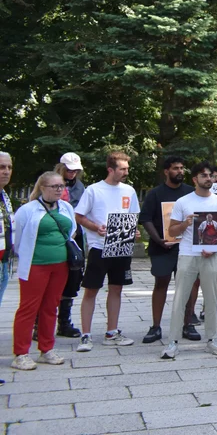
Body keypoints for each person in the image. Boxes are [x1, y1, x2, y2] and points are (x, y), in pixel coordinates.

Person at [10, 171, 77, 370]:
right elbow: (18, 239)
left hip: (60, 265)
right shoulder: (27, 210)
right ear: (42, 188)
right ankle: (21, 353)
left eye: (61, 186)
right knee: (28, 308)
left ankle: (46, 349)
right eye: (54, 186)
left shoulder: (65, 207)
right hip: (35, 265)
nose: (59, 190)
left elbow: (71, 230)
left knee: (51, 307)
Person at [161, 162, 217, 359]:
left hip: (211, 256)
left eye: (211, 176)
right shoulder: (183, 202)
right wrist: (185, 224)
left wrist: (214, 249)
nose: (209, 179)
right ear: (195, 179)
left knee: (211, 299)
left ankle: (212, 339)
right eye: (204, 175)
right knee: (180, 299)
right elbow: (172, 231)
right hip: (188, 255)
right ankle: (172, 342)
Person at [74, 151, 140, 350]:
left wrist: (134, 232)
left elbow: (133, 216)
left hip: (121, 247)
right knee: (91, 289)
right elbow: (79, 216)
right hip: (99, 247)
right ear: (110, 169)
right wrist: (95, 227)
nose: (126, 172)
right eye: (122, 169)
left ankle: (112, 331)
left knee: (117, 288)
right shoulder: (94, 190)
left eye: (127, 168)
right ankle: (85, 334)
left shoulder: (129, 191)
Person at [139, 156, 201, 344]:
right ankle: (156, 326)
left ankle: (187, 324)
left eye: (182, 168)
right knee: (161, 283)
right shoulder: (155, 194)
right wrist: (158, 240)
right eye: (175, 168)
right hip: (162, 248)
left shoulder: (192, 193)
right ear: (166, 171)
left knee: (189, 285)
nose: (180, 171)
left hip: (187, 247)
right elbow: (146, 218)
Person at [49, 152, 86, 339]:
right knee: (50, 281)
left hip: (74, 237)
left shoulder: (80, 187)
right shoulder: (49, 184)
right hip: (54, 236)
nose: (72, 174)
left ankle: (64, 322)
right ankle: (41, 324)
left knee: (73, 278)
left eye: (75, 171)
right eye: (69, 170)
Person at [0, 152, 15, 315]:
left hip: (4, 260)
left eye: (9, 167)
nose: (6, 171)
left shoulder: (4, 195)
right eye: (1, 167)